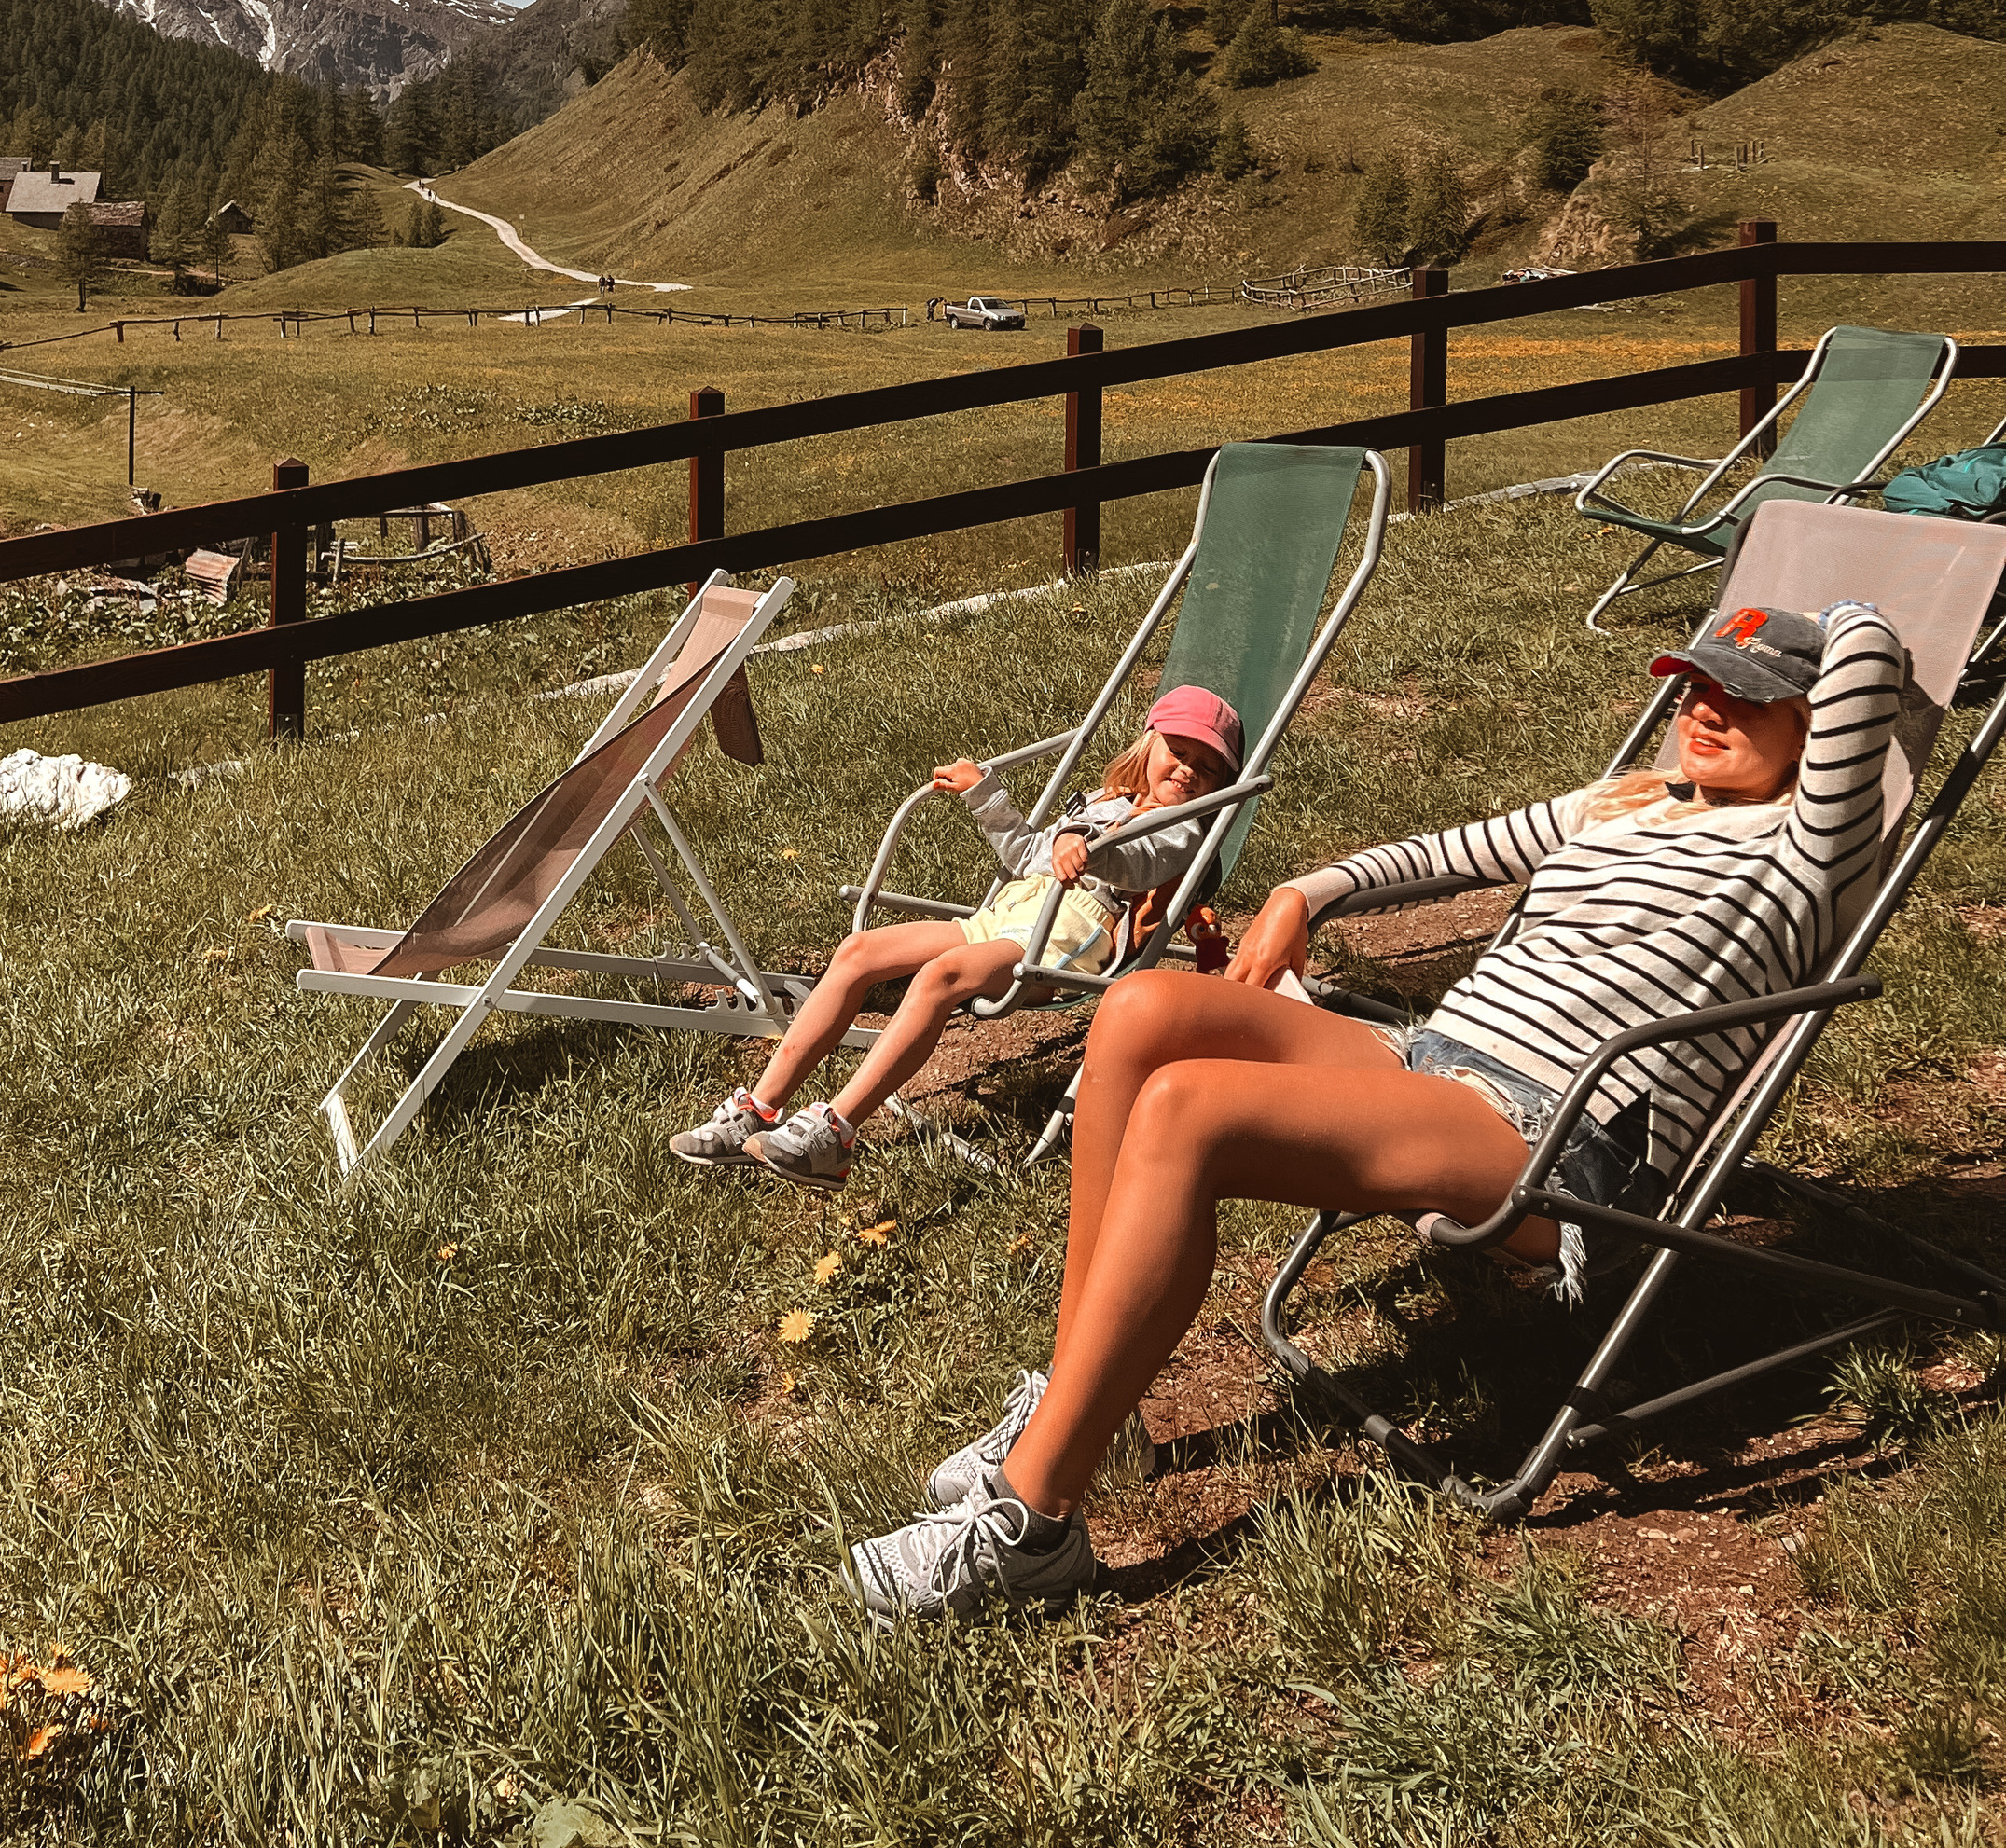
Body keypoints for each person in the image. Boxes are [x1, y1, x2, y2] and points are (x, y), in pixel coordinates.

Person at [847, 597, 1902, 1617]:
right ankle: (1087, 1403)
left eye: (1749, 695)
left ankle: (1034, 1524)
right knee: (1142, 1009)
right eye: (1693, 686)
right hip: (1433, 1056)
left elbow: (1872, 647)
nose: (1706, 710)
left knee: (1187, 1109)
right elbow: (1449, 850)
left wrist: (1829, 590)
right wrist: (1309, 888)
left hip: (1556, 1131)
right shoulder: (1628, 798)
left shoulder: (1816, 846)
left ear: (1817, 726)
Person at [670, 687, 1249, 1193]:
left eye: (1208, 766)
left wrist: (1093, 847)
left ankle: (835, 1134)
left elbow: (1141, 864)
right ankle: (758, 1108)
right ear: (1148, 746)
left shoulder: (1185, 830)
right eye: (1179, 751)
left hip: (1064, 938)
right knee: (857, 953)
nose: (1188, 770)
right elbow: (1028, 855)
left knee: (940, 976)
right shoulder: (1104, 802)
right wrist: (987, 794)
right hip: (1007, 915)